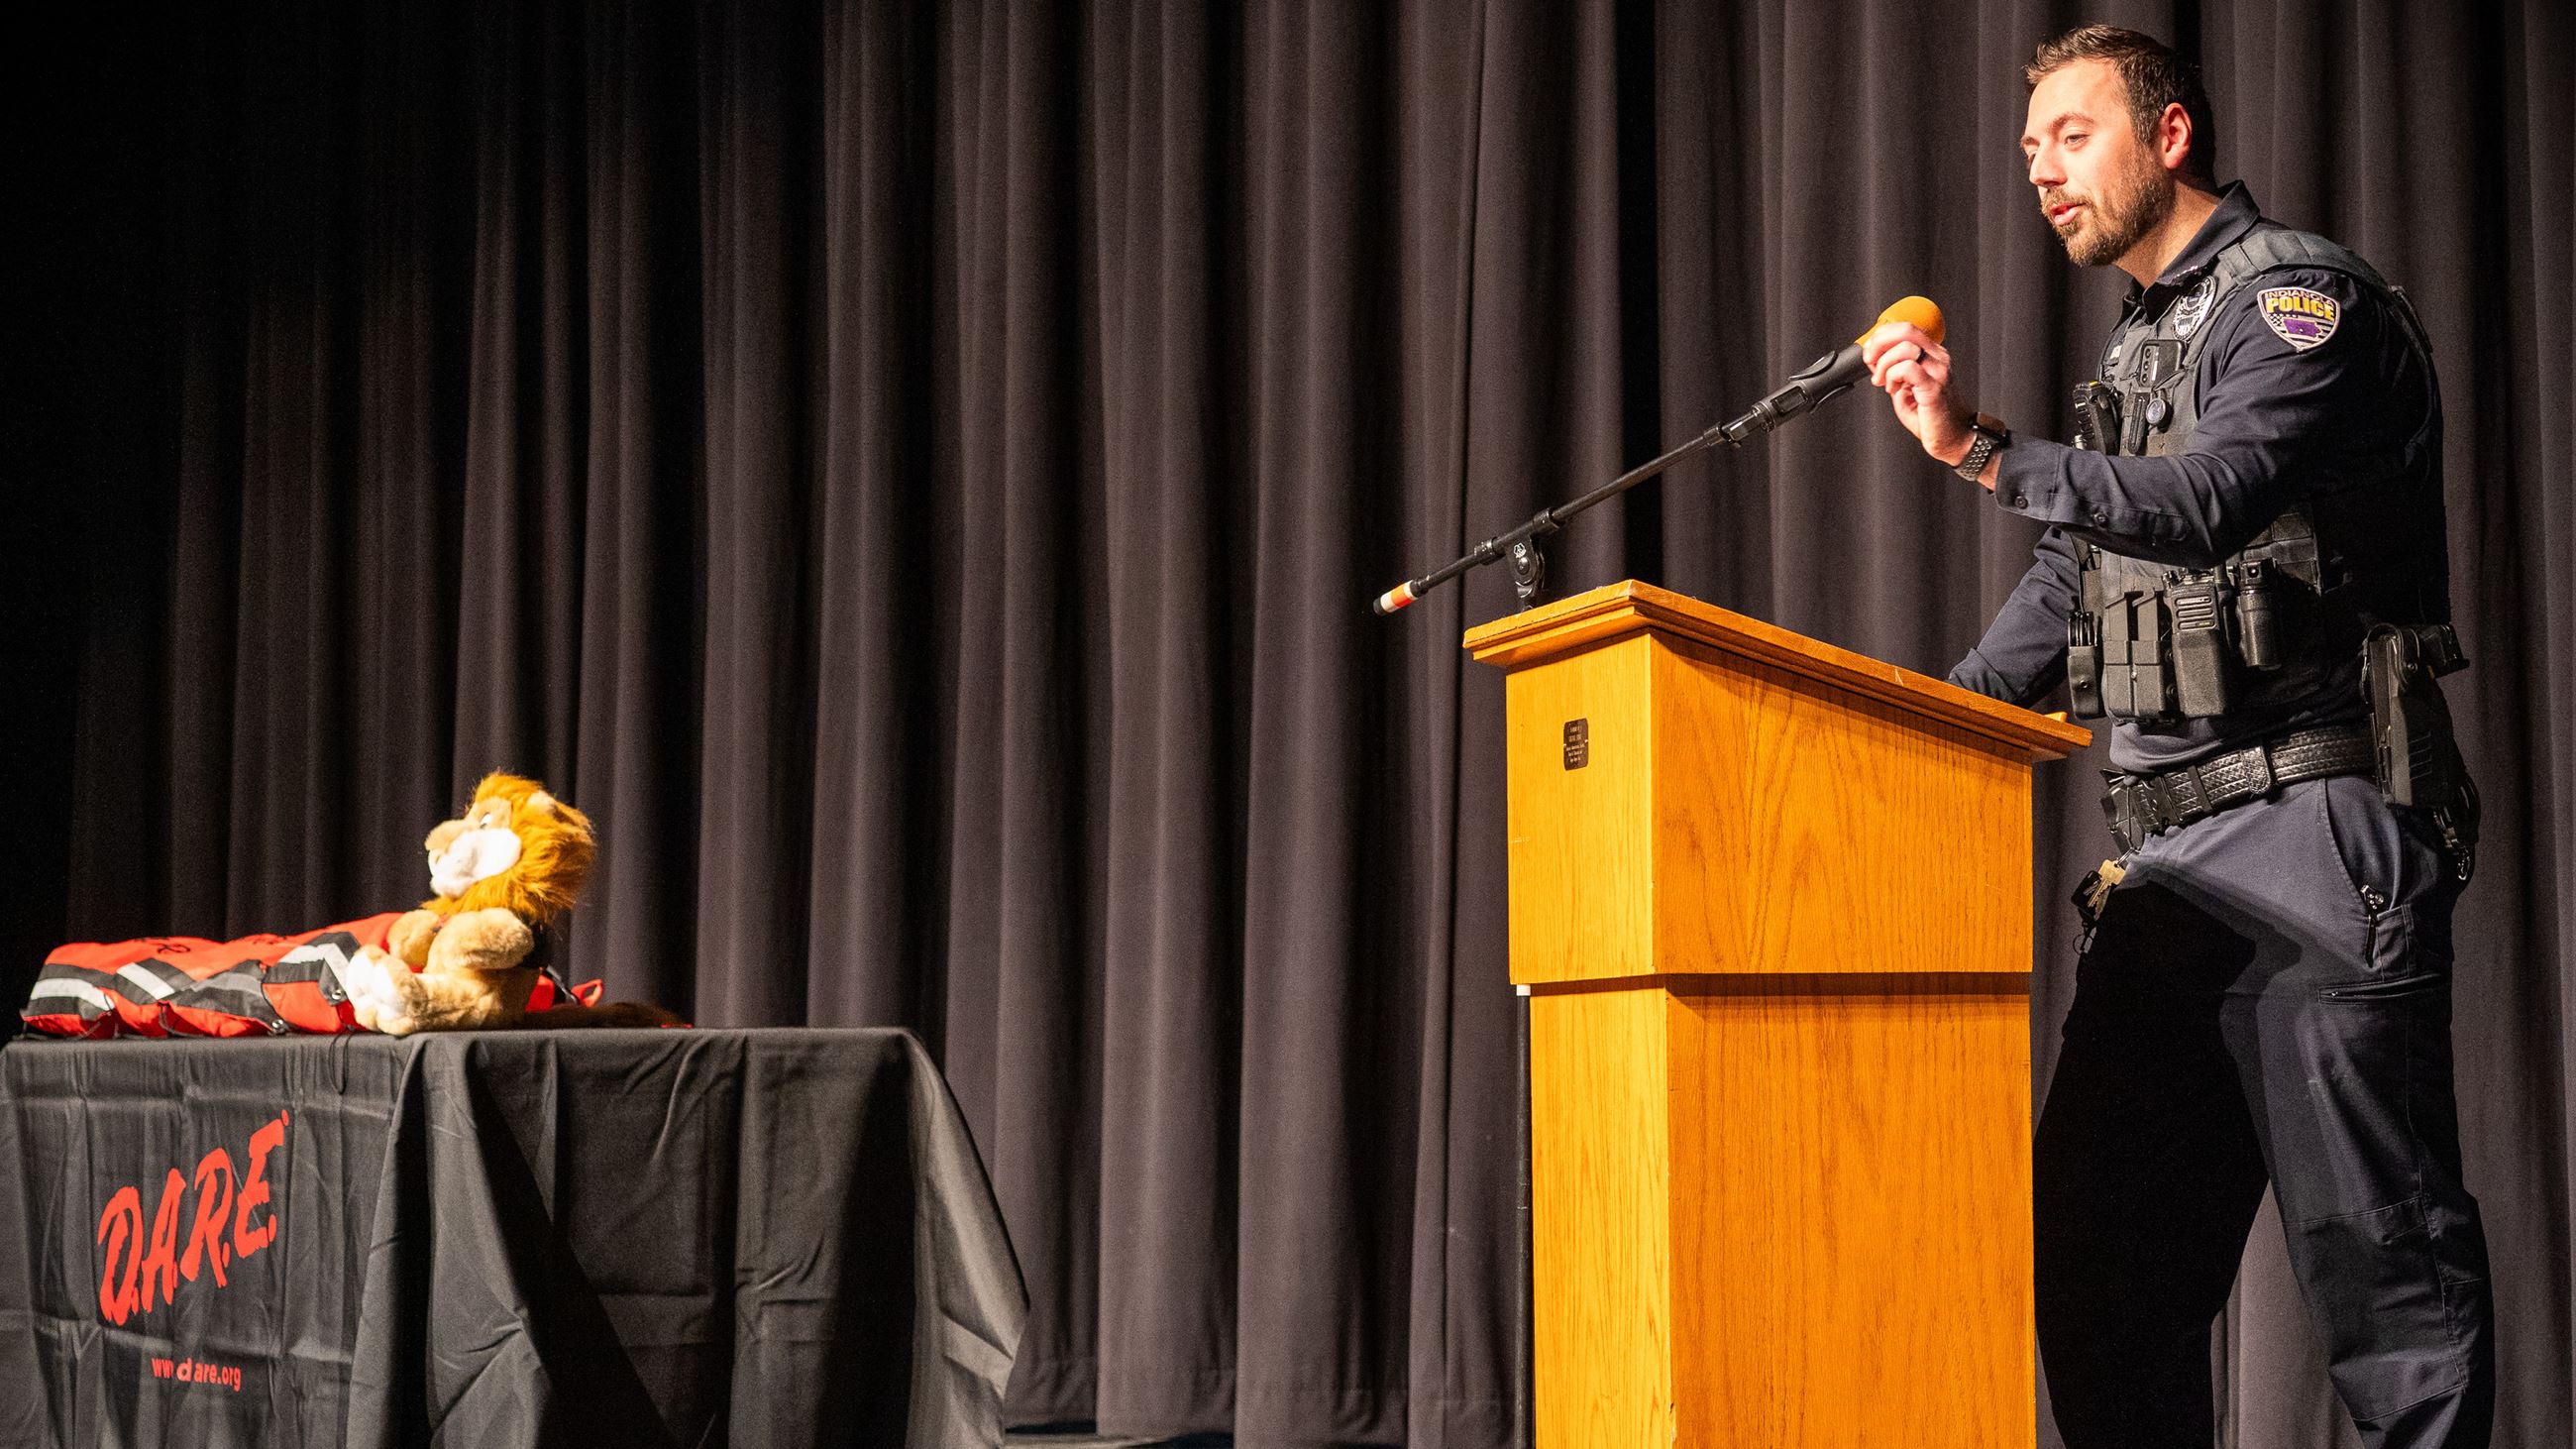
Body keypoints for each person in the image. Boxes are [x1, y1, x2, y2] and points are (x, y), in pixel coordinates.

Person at [1856, 24, 2492, 1449]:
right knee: (2098, 1276)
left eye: (2071, 137)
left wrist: (1978, 446)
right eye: (2029, 153)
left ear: (2172, 134)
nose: (2042, 173)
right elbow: (2079, 583)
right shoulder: (2147, 340)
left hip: (2315, 851)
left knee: (2388, 1295)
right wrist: (1917, 729)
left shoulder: (2294, 308)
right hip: (2172, 888)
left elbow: (2211, 498)